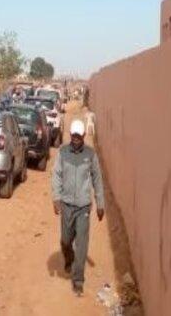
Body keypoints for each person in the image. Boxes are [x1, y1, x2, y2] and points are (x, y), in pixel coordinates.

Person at [51, 119, 105, 296]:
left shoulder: (90, 155)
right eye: (73, 135)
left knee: (81, 244)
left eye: (78, 136)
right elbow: (56, 175)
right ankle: (69, 259)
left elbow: (97, 179)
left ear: (83, 136)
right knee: (65, 240)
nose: (75, 138)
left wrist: (100, 203)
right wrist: (56, 198)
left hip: (83, 207)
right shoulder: (62, 153)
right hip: (66, 205)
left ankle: (78, 281)